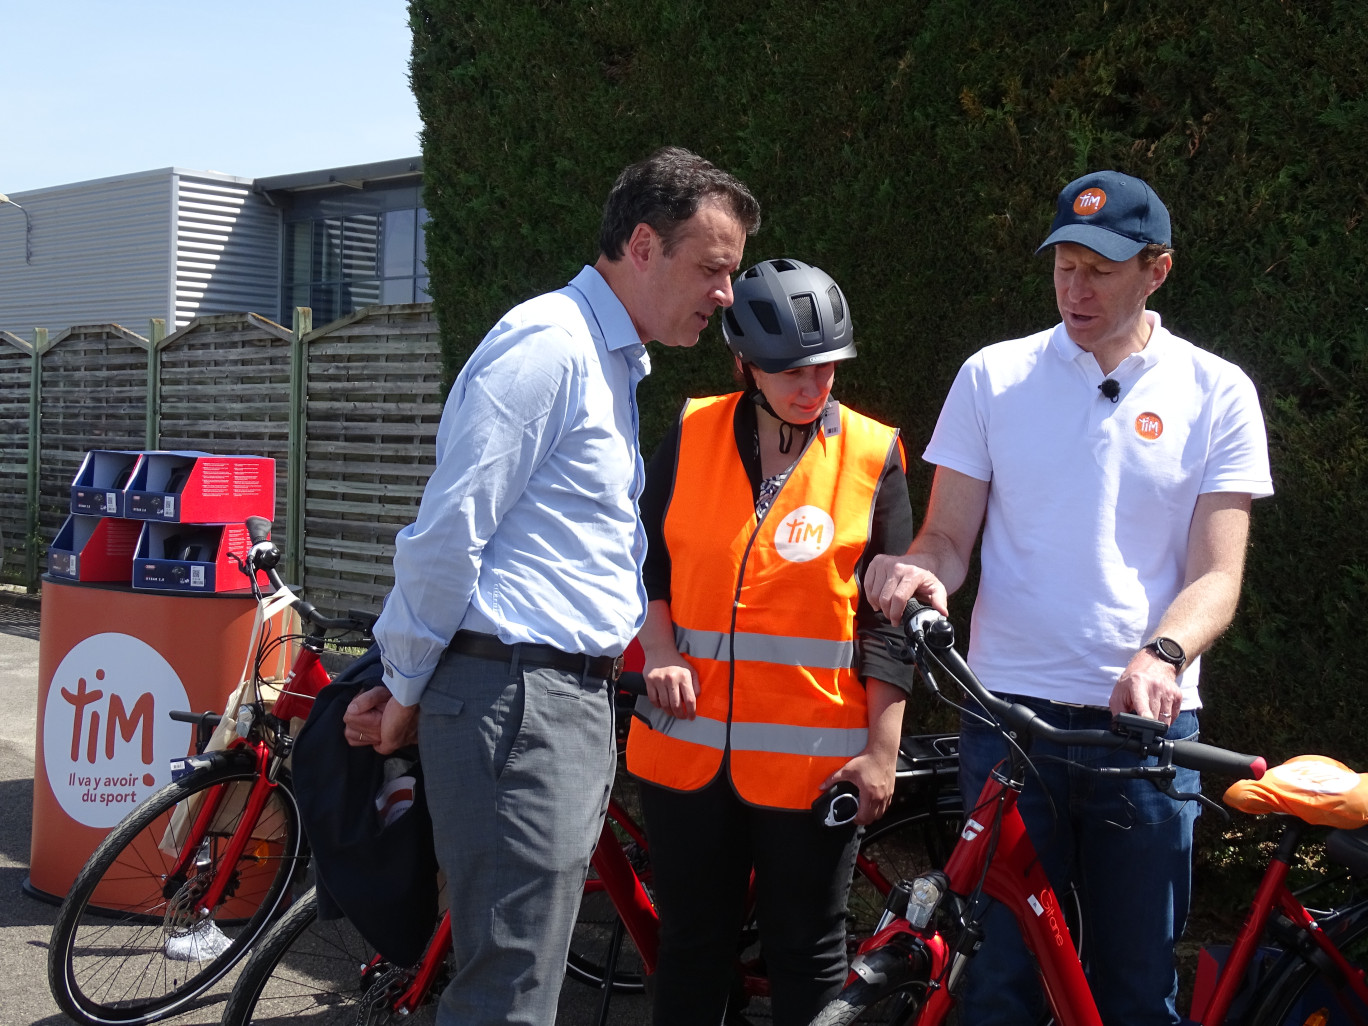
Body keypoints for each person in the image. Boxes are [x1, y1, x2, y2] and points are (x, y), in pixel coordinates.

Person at [340, 146, 760, 1026]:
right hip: (516, 703)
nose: (727, 293)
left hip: (543, 701)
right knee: (510, 995)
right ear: (643, 244)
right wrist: (404, 683)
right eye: (714, 267)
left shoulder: (604, 357)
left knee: (520, 978)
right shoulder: (550, 347)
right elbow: (448, 532)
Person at [864, 170, 1273, 1026]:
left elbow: (1217, 576)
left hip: (1146, 741)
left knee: (1133, 991)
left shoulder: (1217, 391)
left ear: (1157, 270)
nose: (1075, 289)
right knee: (1000, 984)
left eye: (1101, 269)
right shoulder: (993, 376)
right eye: (1063, 265)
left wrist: (1163, 654)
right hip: (1010, 728)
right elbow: (946, 539)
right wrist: (921, 569)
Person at [626, 258, 916, 1026]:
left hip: (813, 766)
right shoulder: (689, 434)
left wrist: (883, 750)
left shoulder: (872, 454)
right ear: (743, 363)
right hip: (684, 753)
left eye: (825, 368)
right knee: (691, 948)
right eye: (789, 369)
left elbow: (890, 621)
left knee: (808, 952)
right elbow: (642, 563)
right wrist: (657, 650)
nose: (810, 385)